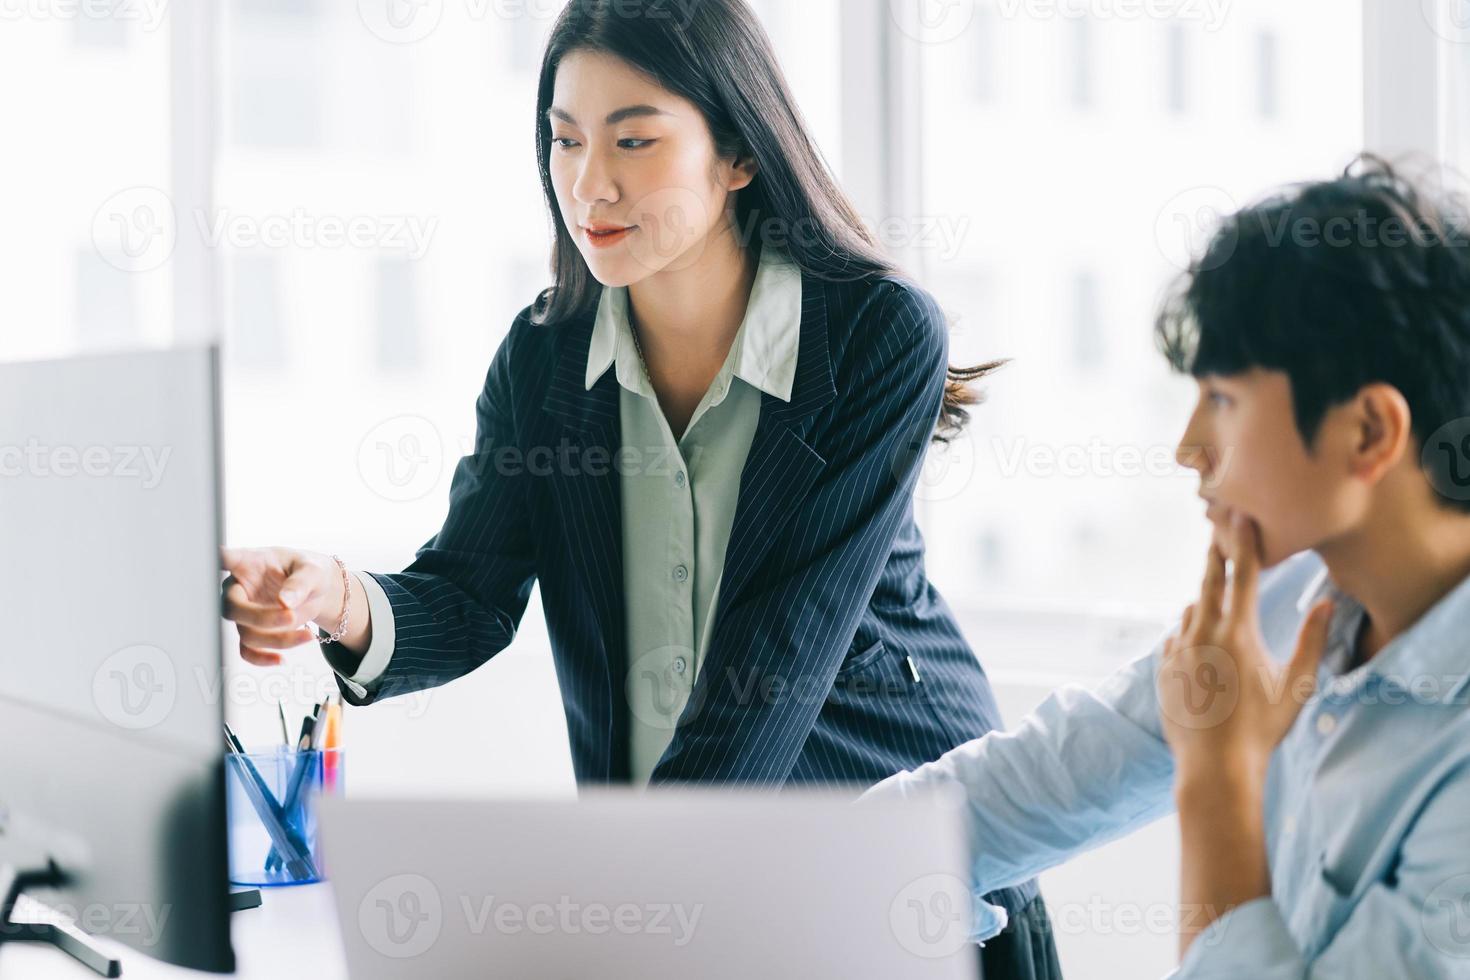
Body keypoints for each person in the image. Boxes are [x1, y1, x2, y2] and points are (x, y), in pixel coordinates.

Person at [218, 1, 1061, 974]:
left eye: (635, 140)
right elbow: (466, 594)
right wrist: (339, 594)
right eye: (564, 139)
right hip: (675, 894)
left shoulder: (874, 333)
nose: (588, 183)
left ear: (739, 153)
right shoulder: (543, 362)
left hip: (895, 864)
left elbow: (774, 658)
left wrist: (626, 897)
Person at [862, 156, 1470, 976]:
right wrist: (814, 863)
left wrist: (1218, 784)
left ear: (1367, 432)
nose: (1189, 449)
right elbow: (1066, 764)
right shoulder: (1296, 598)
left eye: (1222, 400)